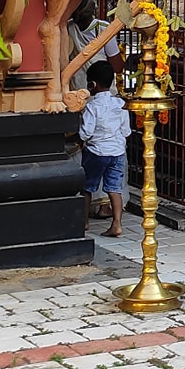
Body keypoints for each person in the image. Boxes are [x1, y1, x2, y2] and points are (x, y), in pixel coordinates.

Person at [77, 61, 127, 237]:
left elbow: (85, 134)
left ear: (91, 85)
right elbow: (126, 131)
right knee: (114, 188)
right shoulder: (121, 104)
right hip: (117, 152)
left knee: (87, 187)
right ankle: (117, 224)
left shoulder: (92, 107)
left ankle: (83, 223)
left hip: (96, 152)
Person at [64, 0, 125, 91]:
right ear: (93, 7)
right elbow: (117, 67)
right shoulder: (104, 28)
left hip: (75, 92)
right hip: (100, 92)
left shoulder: (66, 28)